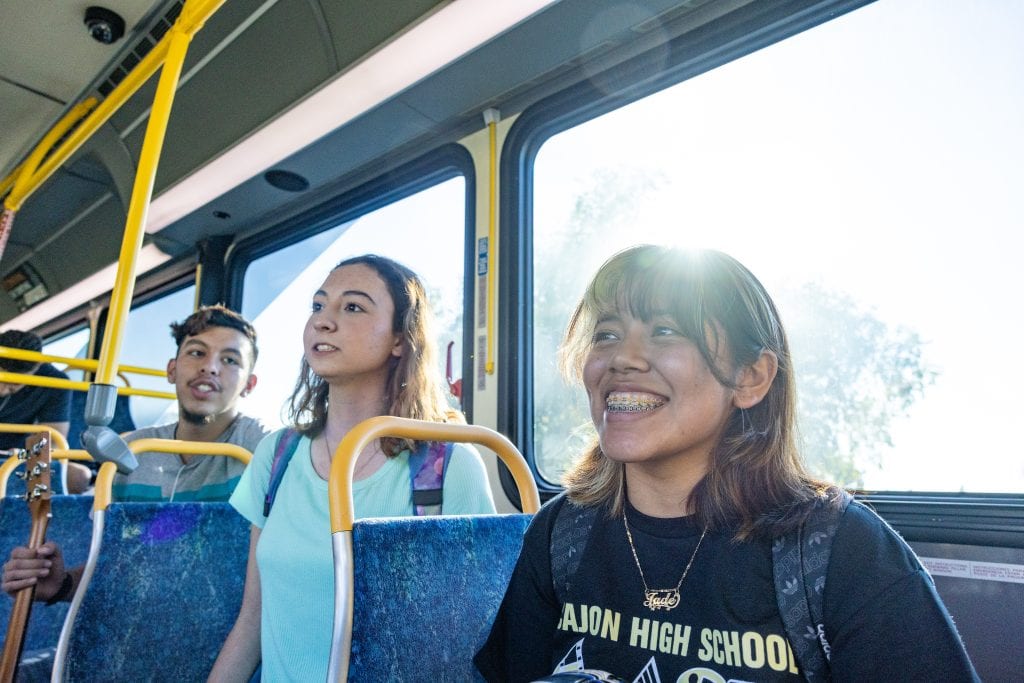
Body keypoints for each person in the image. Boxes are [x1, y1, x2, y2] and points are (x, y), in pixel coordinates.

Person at [474, 246, 979, 682]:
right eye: (606, 335)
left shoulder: (838, 550)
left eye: (665, 330)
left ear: (751, 378)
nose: (622, 358)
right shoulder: (562, 533)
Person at [210, 254, 495, 682]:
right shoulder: (277, 457)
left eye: (353, 307)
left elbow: (471, 641)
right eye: (318, 306)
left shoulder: (447, 467)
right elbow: (252, 621)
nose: (323, 321)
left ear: (400, 338)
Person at [2, 304, 268, 606]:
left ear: (249, 384)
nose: (210, 367)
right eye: (197, 353)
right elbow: (118, 572)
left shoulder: (261, 448)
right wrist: (61, 586)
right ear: (171, 369)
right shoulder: (133, 454)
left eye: (230, 360)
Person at [0, 329, 72, 451]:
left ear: (36, 369)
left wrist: (23, 456)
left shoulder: (54, 382)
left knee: (81, 471)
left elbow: (54, 443)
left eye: (14, 384)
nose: (2, 390)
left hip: (14, 454)